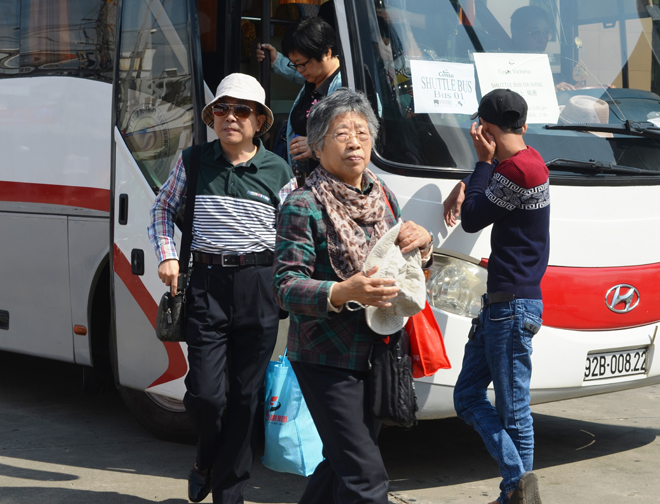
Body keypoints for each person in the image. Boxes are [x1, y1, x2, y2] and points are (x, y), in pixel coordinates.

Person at [272, 88, 433, 503]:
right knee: (365, 476)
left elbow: (403, 269)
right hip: (325, 357)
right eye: (342, 133)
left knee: (342, 463)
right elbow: (286, 286)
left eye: (362, 132)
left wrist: (422, 244)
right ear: (318, 144)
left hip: (379, 350)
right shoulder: (303, 204)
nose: (354, 142)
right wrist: (342, 291)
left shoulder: (384, 198)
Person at [147, 73, 296, 504]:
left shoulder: (278, 170)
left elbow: (292, 233)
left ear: (260, 121)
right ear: (212, 117)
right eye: (222, 109)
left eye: (241, 110)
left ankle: (229, 493)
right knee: (206, 396)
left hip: (259, 288)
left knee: (246, 399)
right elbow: (161, 210)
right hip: (206, 286)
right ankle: (205, 458)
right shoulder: (193, 161)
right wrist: (166, 254)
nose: (230, 117)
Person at [443, 89, 549, 504]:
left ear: (483, 128)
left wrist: (480, 164)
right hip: (504, 305)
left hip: (511, 306)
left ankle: (515, 487)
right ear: (522, 124)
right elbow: (493, 193)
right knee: (467, 396)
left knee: (514, 411)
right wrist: (470, 180)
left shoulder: (513, 171)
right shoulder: (531, 159)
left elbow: (472, 219)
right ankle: (517, 488)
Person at [256, 16, 342, 175]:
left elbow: (360, 136)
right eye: (294, 64)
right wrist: (276, 61)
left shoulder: (347, 86)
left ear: (327, 52)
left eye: (301, 64)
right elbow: (297, 72)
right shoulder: (315, 76)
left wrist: (317, 147)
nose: (299, 70)